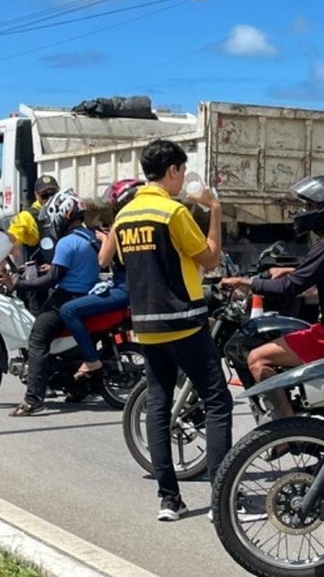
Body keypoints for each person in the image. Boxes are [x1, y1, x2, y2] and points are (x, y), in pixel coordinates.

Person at [113, 139, 233, 522]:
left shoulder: (125, 215)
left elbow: (125, 261)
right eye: (181, 172)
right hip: (183, 322)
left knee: (158, 406)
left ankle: (169, 499)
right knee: (217, 400)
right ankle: (221, 498)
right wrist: (214, 211)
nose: (182, 179)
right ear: (172, 171)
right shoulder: (172, 212)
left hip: (146, 327)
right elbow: (210, 259)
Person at [219, 175, 324, 420]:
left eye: (310, 206)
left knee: (257, 358)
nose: (304, 211)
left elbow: (289, 288)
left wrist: (248, 283)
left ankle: (287, 427)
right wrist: (290, 269)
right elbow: (317, 273)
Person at [9, 188, 102, 417]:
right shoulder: (90, 236)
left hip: (66, 297)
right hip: (87, 295)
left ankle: (33, 399)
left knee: (38, 340)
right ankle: (77, 389)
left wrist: (17, 285)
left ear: (63, 216)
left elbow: (51, 279)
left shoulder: (66, 243)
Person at [58, 179, 141, 380]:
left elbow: (103, 261)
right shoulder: (141, 223)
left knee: (68, 310)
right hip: (137, 288)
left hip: (123, 289)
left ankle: (91, 360)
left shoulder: (119, 225)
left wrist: (106, 240)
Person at [0, 175, 61, 314]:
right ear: (36, 195)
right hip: (39, 280)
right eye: (44, 195)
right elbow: (10, 240)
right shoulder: (26, 216)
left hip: (62, 275)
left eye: (53, 194)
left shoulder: (65, 212)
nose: (49, 198)